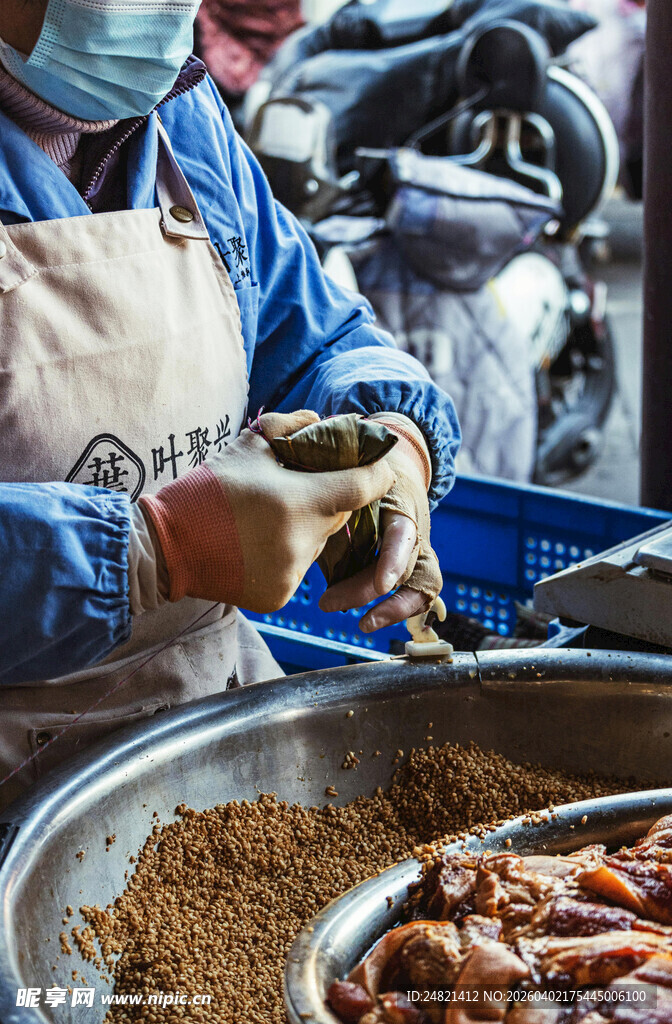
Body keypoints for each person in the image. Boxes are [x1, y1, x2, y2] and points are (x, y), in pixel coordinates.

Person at [0, 0, 460, 808]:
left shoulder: (180, 114)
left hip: (211, 719)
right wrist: (152, 552)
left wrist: (393, 439)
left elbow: (312, 331)